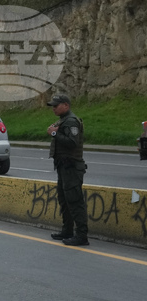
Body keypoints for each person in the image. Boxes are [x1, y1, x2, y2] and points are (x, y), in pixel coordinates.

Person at [47, 94, 88, 246]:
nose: (53, 108)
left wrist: (53, 132)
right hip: (64, 167)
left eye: (56, 106)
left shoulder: (71, 121)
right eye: (53, 106)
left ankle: (82, 235)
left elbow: (72, 142)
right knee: (64, 200)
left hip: (71, 167)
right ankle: (67, 230)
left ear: (66, 105)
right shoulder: (64, 120)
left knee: (75, 200)